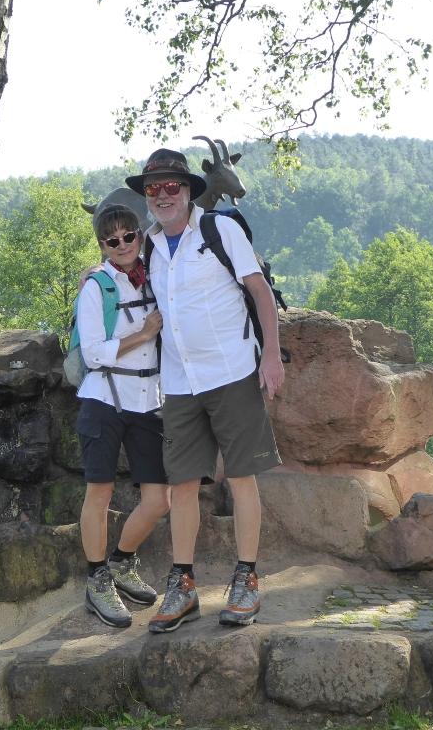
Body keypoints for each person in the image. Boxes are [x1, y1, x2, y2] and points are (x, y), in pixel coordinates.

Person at [124, 149, 285, 633]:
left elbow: (259, 291)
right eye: (153, 189)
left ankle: (247, 579)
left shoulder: (220, 230)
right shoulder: (147, 244)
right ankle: (184, 585)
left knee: (242, 478)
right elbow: (120, 282)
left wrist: (272, 356)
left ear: (189, 190)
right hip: (178, 382)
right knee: (182, 486)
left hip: (232, 371)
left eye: (172, 186)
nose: (163, 195)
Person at [75, 204, 170, 628]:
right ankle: (97, 581)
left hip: (149, 399)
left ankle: (120, 562)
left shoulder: (158, 274)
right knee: (99, 495)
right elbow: (94, 353)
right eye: (112, 240)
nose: (123, 245)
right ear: (103, 246)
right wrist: (144, 334)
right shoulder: (97, 287)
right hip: (104, 399)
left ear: (139, 236)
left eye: (128, 236)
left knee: (158, 500)